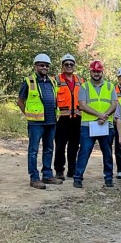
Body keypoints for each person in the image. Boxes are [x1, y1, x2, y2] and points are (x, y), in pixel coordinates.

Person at [17, 53, 61, 189]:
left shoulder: (52, 81)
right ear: (36, 66)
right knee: (33, 150)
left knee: (49, 149)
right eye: (42, 65)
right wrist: (29, 115)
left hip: (51, 122)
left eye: (47, 65)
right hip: (36, 123)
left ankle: (47, 175)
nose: (44, 67)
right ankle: (34, 178)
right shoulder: (29, 81)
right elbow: (20, 101)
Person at [73, 60, 118, 189]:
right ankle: (78, 178)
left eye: (98, 71)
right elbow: (82, 105)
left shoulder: (110, 86)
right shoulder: (84, 87)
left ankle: (108, 178)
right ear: (90, 72)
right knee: (84, 151)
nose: (96, 73)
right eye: (94, 71)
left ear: (102, 72)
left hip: (106, 124)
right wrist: (100, 115)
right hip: (88, 125)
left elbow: (114, 103)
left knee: (107, 152)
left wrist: (105, 116)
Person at [53, 53, 83, 181]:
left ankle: (72, 169)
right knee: (60, 145)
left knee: (74, 145)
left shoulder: (80, 80)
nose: (69, 66)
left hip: (77, 118)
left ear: (74, 66)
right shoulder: (55, 80)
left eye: (71, 64)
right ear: (62, 66)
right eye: (66, 64)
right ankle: (59, 170)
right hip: (62, 119)